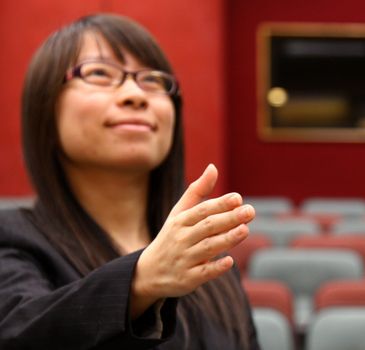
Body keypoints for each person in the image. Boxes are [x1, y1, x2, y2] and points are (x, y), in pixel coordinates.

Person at [0, 13, 259, 349]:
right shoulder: (13, 238)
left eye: (152, 80)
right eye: (99, 73)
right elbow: (17, 335)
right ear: (45, 111)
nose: (135, 94)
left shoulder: (206, 254)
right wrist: (139, 282)